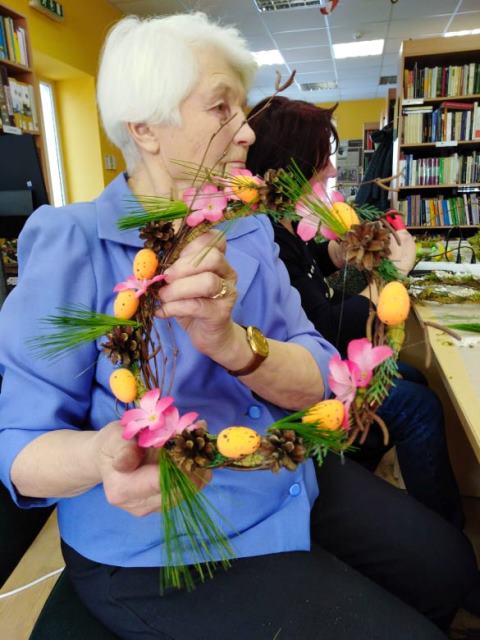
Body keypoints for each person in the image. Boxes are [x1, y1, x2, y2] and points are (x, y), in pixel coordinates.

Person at [0, 14, 476, 640]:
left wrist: (231, 345)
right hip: (162, 544)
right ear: (143, 127)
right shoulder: (73, 243)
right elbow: (20, 446)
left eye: (243, 109)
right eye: (221, 107)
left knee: (448, 568)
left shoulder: (247, 228)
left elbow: (315, 372)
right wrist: (101, 454)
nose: (247, 131)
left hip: (282, 477)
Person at [246, 96, 465, 529]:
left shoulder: (280, 223)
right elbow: (328, 328)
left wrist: (334, 254)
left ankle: (363, 475)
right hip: (298, 388)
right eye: (321, 160)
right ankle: (443, 528)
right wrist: (392, 277)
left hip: (319, 365)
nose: (331, 169)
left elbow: (304, 272)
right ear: (290, 167)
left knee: (414, 377)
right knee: (419, 406)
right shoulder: (264, 233)